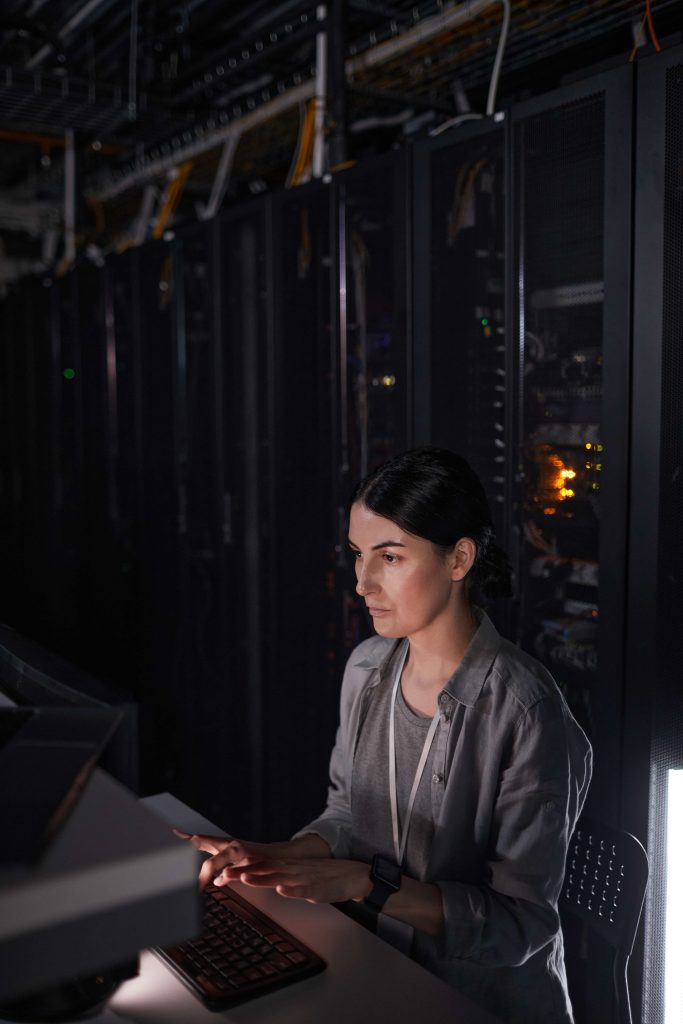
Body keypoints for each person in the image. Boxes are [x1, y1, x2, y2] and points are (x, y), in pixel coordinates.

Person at [177, 447, 592, 1024]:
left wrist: (363, 885)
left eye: (390, 557)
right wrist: (268, 858)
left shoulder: (526, 711)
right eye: (357, 555)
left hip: (475, 1002)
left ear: (459, 559)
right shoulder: (367, 669)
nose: (362, 581)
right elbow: (347, 816)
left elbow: (519, 926)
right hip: (373, 966)